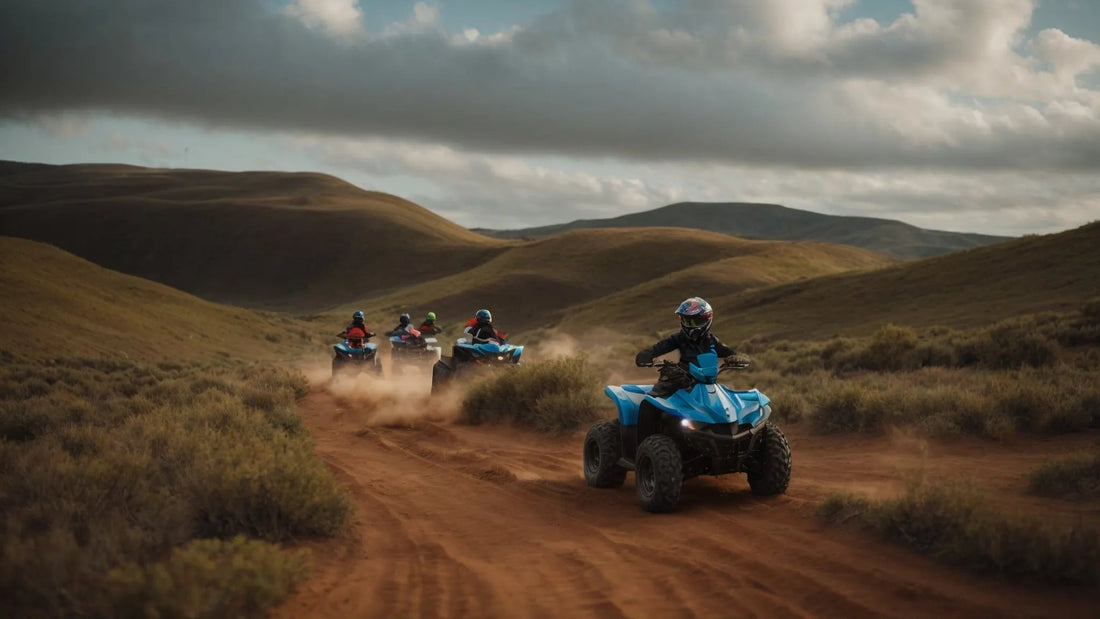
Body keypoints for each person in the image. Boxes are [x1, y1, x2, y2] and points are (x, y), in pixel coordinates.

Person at [631, 297, 736, 450]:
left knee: (725, 403)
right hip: (677, 377)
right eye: (687, 321)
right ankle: (642, 448)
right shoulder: (678, 338)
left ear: (707, 320)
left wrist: (737, 358)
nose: (690, 326)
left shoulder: (712, 340)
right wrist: (646, 356)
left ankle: (721, 441)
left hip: (704, 381)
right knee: (649, 403)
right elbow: (658, 348)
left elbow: (728, 352)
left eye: (695, 321)